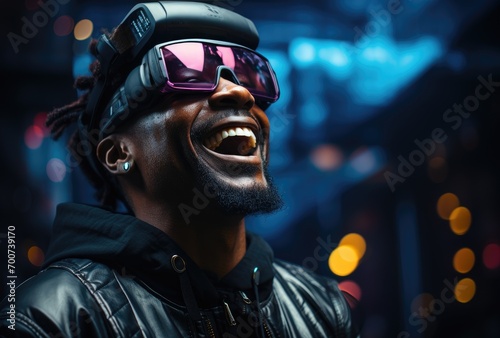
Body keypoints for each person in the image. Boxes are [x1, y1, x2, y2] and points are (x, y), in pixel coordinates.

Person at [0, 1, 359, 337]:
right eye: (186, 70)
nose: (240, 93)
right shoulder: (51, 319)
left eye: (250, 75)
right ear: (118, 153)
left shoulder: (322, 307)